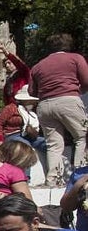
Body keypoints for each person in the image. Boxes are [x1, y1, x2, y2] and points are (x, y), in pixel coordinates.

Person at [32, 33, 88, 186]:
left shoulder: (38, 66)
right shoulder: (75, 58)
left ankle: (53, 180)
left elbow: (31, 91)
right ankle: (82, 175)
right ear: (68, 45)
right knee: (83, 137)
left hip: (44, 105)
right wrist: (79, 90)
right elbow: (86, 80)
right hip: (68, 100)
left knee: (54, 144)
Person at [0, 87, 44, 153]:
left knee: (45, 144)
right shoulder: (11, 108)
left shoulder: (33, 111)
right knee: (24, 148)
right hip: (12, 135)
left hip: (29, 135)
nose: (34, 102)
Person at [0, 39, 30, 107]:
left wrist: (6, 53)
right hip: (12, 108)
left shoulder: (23, 72)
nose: (7, 65)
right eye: (5, 64)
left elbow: (18, 63)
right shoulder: (9, 79)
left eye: (9, 63)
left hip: (24, 106)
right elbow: (6, 98)